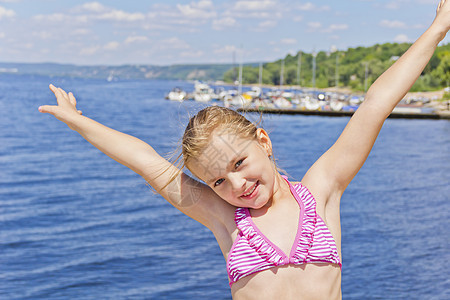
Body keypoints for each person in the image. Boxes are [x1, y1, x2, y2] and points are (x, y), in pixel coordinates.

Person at [38, 1, 449, 299]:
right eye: (218, 179)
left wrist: (437, 28)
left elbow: (375, 105)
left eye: (239, 163)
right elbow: (146, 162)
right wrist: (78, 120)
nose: (236, 184)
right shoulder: (224, 218)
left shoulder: (321, 192)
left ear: (263, 142)